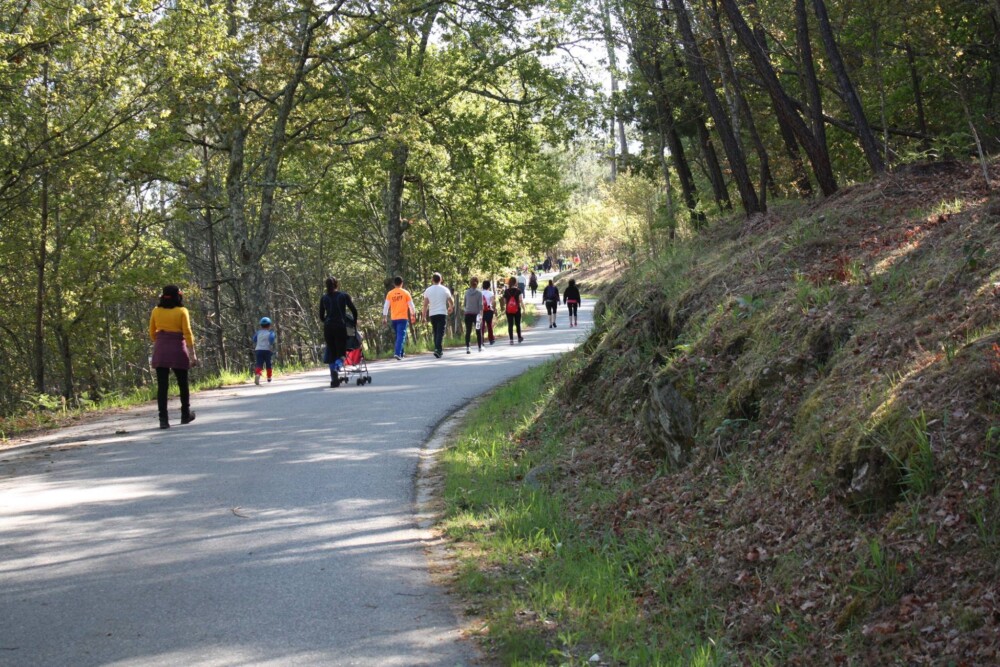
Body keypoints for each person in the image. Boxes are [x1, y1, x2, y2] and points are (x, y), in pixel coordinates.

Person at [149, 284, 197, 429]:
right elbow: (187, 332)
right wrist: (192, 353)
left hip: (161, 347)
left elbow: (152, 332)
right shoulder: (182, 311)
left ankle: (163, 419)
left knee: (162, 385)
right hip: (177, 347)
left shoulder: (156, 311)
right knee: (183, 382)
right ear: (178, 296)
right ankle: (185, 414)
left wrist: (160, 341)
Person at [320, 276, 358, 387]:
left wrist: (327, 321)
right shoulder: (343, 296)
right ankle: (338, 364)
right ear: (337, 284)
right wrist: (354, 322)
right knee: (341, 352)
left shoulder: (324, 298)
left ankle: (334, 379)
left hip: (328, 327)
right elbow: (354, 310)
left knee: (331, 351)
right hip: (340, 326)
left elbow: (321, 316)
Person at [382, 276, 416, 360]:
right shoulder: (405, 293)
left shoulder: (390, 293)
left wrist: (384, 317)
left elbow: (386, 306)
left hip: (394, 318)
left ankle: (401, 353)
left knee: (399, 335)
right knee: (401, 336)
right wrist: (413, 314)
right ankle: (397, 353)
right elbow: (411, 305)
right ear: (402, 283)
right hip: (403, 318)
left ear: (394, 284)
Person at [422, 272, 454, 358]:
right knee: (440, 332)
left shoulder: (428, 290)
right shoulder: (445, 289)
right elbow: (451, 301)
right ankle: (438, 349)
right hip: (442, 313)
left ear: (432, 280)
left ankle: (437, 349)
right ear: (441, 280)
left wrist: (423, 316)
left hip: (432, 314)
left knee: (436, 331)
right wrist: (451, 307)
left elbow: (425, 304)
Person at [463, 276, 484, 354]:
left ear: (470, 283)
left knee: (468, 331)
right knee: (478, 330)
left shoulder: (466, 292)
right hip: (476, 314)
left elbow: (464, 304)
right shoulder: (479, 293)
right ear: (477, 283)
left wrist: (466, 310)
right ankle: (479, 347)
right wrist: (481, 315)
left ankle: (468, 348)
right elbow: (480, 305)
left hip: (468, 314)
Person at [252, 317, 276, 384]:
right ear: (269, 325)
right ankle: (269, 377)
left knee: (259, 363)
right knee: (268, 364)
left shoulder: (258, 333)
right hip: (267, 350)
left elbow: (254, 339)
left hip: (258, 350)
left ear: (261, 325)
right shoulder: (270, 333)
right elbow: (271, 340)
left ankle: (258, 374)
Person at [503, 276, 524, 345]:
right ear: (515, 282)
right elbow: (521, 300)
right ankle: (519, 337)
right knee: (518, 324)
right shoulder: (518, 291)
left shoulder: (506, 291)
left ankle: (511, 339)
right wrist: (524, 308)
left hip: (509, 310)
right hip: (517, 309)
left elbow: (505, 301)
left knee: (510, 324)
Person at [481, 279, 497, 345]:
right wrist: (494, 308)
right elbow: (493, 302)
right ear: (489, 286)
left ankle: (481, 340)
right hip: (489, 309)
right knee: (489, 325)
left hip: (481, 310)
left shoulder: (480, 293)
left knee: (482, 325)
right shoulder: (491, 293)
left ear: (483, 286)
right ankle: (491, 339)